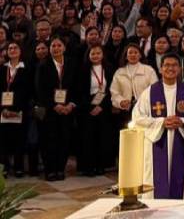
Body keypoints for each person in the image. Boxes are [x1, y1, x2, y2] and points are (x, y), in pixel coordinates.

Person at [132, 55, 184, 199]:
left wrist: (182, 122)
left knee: (177, 181)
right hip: (155, 144)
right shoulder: (149, 93)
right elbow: (137, 117)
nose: (170, 68)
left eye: (174, 65)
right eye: (167, 65)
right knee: (154, 182)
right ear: (160, 69)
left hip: (179, 142)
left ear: (179, 69)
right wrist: (161, 122)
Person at [36, 38, 76, 180]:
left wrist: (71, 104)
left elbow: (77, 86)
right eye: (53, 45)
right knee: (50, 140)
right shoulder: (43, 65)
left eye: (59, 45)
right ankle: (50, 170)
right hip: (50, 110)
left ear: (64, 48)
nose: (56, 48)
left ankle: (60, 169)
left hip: (67, 108)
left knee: (64, 139)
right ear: (49, 48)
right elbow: (40, 90)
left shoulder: (71, 63)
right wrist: (54, 105)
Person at [77, 44, 114, 177]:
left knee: (102, 137)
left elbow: (112, 89)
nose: (95, 56)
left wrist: (101, 106)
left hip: (104, 105)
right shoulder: (82, 69)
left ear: (103, 55)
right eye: (93, 53)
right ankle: (88, 167)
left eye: (98, 53)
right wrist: (91, 107)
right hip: (87, 107)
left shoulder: (109, 68)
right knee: (88, 138)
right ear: (88, 55)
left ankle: (100, 165)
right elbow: (79, 91)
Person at [1, 42, 32, 177]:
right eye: (10, 48)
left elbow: (29, 92)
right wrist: (3, 109)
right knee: (3, 141)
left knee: (20, 140)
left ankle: (19, 167)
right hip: (3, 111)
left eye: (15, 48)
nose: (12, 50)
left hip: (20, 111)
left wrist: (18, 109)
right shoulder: (1, 69)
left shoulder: (28, 69)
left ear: (21, 51)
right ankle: (4, 168)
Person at [111, 43, 158, 129]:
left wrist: (144, 102)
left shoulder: (149, 70)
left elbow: (155, 90)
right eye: (130, 53)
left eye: (136, 52)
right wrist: (121, 101)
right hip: (125, 111)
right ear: (126, 56)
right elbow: (114, 92)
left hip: (145, 110)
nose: (133, 55)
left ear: (140, 55)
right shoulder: (119, 72)